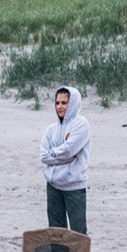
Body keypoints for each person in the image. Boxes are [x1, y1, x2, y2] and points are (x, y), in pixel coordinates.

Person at [40, 86, 90, 234]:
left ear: (72, 103)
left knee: (78, 230)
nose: (60, 107)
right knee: (56, 229)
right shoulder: (51, 130)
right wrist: (64, 156)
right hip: (53, 184)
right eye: (57, 103)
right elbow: (44, 156)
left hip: (74, 185)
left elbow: (69, 149)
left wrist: (54, 154)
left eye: (64, 103)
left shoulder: (81, 124)